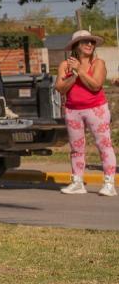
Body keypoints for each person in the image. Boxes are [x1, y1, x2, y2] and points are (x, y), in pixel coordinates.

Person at [56, 29, 114, 196]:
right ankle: (77, 182)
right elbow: (60, 88)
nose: (89, 44)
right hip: (73, 110)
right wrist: (74, 74)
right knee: (76, 148)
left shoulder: (98, 63)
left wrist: (80, 70)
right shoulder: (65, 65)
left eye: (92, 42)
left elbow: (95, 85)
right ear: (76, 46)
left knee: (104, 145)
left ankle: (109, 183)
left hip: (96, 109)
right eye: (85, 41)